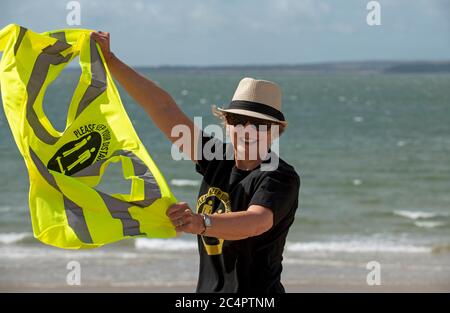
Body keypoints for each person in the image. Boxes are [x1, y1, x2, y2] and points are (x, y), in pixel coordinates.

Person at [91, 31, 300, 293]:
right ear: (226, 124)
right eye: (237, 121)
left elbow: (255, 222)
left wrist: (201, 222)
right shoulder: (217, 157)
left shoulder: (278, 176)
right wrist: (110, 60)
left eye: (258, 124)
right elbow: (163, 108)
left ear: (274, 131)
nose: (246, 130)